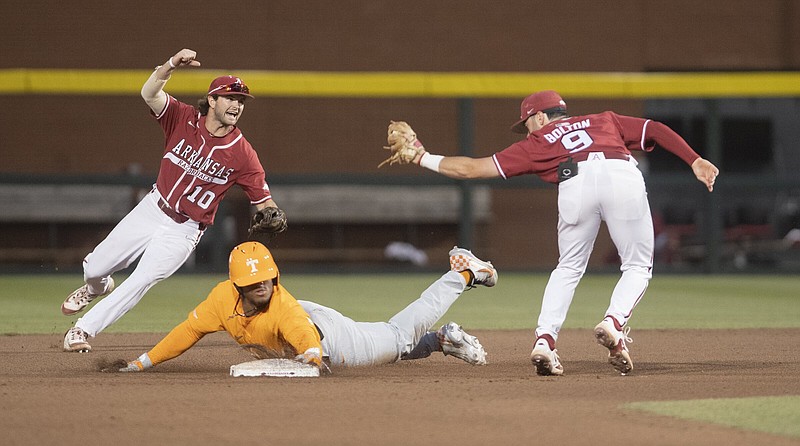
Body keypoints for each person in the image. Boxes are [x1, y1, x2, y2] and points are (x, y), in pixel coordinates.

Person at [386, 90, 720, 376]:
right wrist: (694, 160)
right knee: (636, 266)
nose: (525, 129)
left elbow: (470, 169)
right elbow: (656, 129)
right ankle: (613, 323)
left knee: (568, 268)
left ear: (543, 118)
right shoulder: (605, 119)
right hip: (621, 174)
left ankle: (545, 341)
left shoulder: (538, 142)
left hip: (574, 182)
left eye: (527, 122)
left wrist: (421, 156)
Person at [62, 49, 282, 353]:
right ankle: (96, 287)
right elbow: (148, 92)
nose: (236, 105)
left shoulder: (243, 153)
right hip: (153, 209)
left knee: (143, 279)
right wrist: (170, 66)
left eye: (241, 101)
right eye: (230, 97)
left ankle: (82, 330)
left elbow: (263, 199)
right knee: (95, 268)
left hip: (185, 231)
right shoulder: (182, 118)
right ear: (213, 100)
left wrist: (272, 212)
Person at [118, 241, 496, 372]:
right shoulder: (220, 300)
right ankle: (442, 341)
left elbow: (300, 331)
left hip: (331, 338)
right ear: (238, 286)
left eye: (268, 277)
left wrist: (312, 355)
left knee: (397, 338)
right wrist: (142, 362)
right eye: (254, 283)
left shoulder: (281, 306)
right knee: (390, 346)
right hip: (308, 323)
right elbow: (188, 331)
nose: (263, 284)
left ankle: (464, 275)